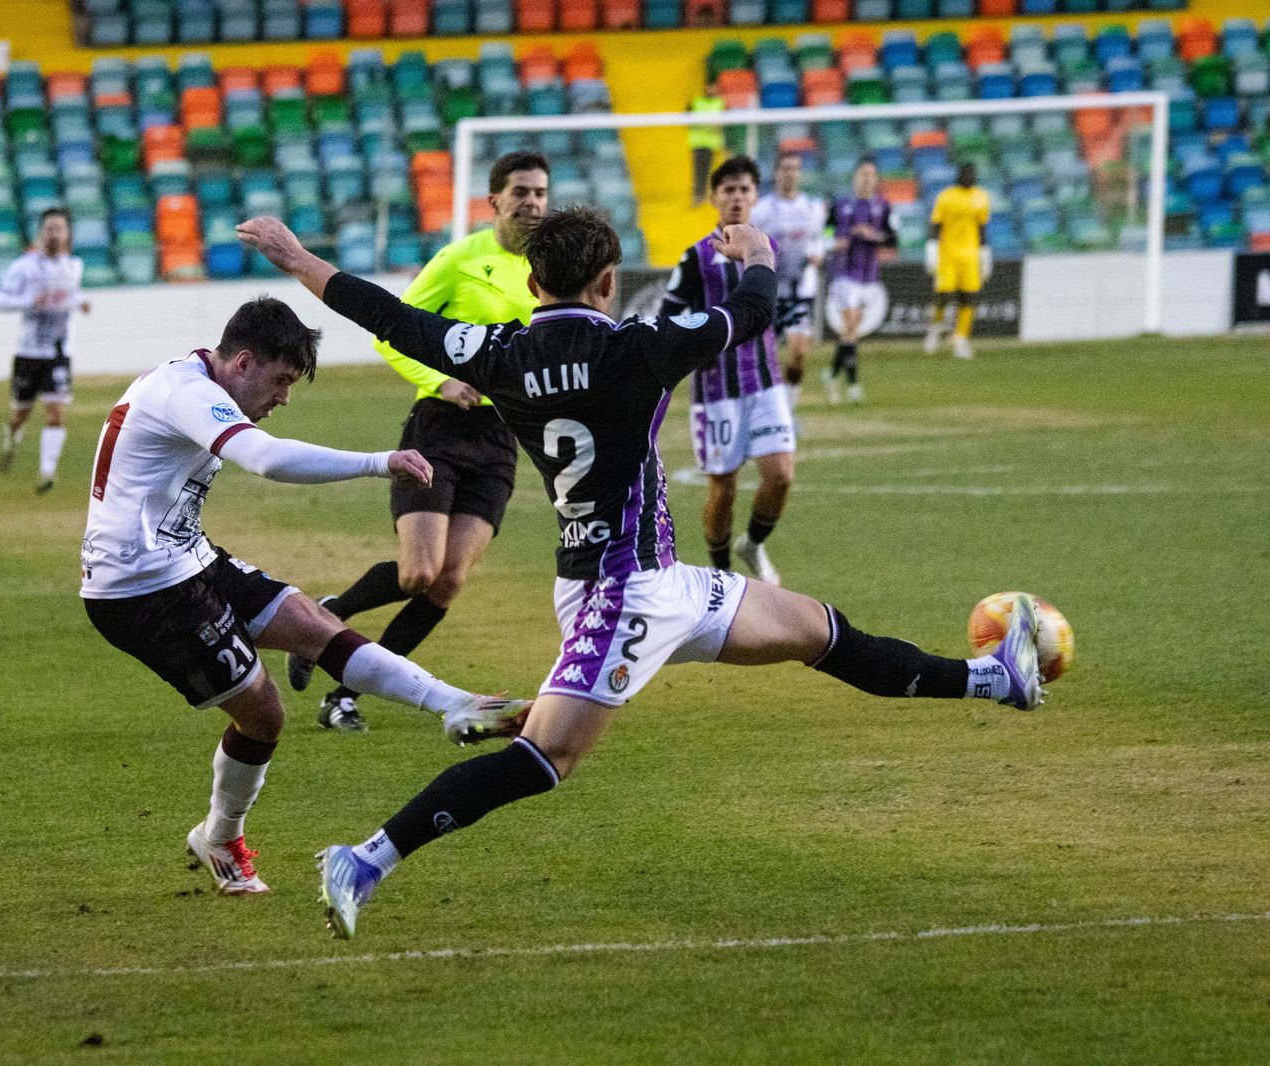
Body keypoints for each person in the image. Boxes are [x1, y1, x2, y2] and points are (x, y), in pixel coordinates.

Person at [236, 210, 1048, 940]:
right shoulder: (639, 348)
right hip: (623, 596)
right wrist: (758, 253)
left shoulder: (498, 352)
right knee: (547, 760)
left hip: (652, 581)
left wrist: (297, 257)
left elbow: (384, 313)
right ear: (608, 283)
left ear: (531, 283)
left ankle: (997, 677)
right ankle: (364, 859)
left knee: (819, 631)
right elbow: (754, 312)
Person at [79, 296, 528, 896]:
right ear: (243, 362)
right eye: (282, 380)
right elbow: (265, 459)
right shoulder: (185, 392)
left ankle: (457, 704)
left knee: (312, 622)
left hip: (183, 555)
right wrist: (379, 462)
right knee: (264, 714)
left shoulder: (191, 380)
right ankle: (220, 837)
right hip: (140, 586)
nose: (284, 398)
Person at [284, 152, 549, 733]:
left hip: (499, 439)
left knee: (449, 581)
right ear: (495, 201)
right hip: (439, 428)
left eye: (540, 193)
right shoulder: (459, 260)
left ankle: (343, 695)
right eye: (521, 192)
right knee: (418, 575)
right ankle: (331, 614)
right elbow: (391, 332)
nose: (532, 203)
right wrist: (442, 380)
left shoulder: (549, 268)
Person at [661, 155, 793, 587]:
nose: (737, 197)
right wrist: (692, 346)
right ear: (714, 198)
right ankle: (721, 576)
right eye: (728, 190)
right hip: (716, 389)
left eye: (744, 189)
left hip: (765, 381)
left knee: (780, 475)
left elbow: (785, 304)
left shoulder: (768, 249)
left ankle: (752, 543)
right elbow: (668, 317)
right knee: (724, 489)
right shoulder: (696, 257)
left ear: (755, 196)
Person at [0, 208, 90, 493]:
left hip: (58, 351)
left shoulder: (73, 266)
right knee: (20, 413)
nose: (54, 234)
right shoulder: (24, 267)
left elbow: (71, 294)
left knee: (56, 412)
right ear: (41, 233)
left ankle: (47, 471)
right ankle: (12, 435)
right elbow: (1, 301)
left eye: (59, 228)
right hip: (29, 352)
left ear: (67, 234)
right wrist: (29, 302)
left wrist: (81, 301)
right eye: (49, 228)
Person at [751, 151, 828, 408]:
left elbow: (820, 239)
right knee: (765, 353)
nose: (790, 173)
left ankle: (790, 400)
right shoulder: (761, 211)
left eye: (795, 168)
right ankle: (768, 401)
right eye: (785, 168)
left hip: (800, 289)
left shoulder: (813, 208)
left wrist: (818, 254)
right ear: (776, 173)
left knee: (798, 352)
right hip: (770, 289)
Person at [823, 159, 897, 405]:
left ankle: (832, 374)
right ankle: (853, 385)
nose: (867, 178)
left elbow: (892, 238)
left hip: (869, 277)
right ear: (855, 176)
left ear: (876, 179)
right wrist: (834, 242)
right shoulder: (840, 204)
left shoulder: (883, 206)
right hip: (844, 274)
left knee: (851, 331)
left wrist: (873, 235)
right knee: (851, 325)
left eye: (871, 174)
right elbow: (824, 231)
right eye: (863, 174)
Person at [924, 161, 993, 361]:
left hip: (970, 256)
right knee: (943, 295)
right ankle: (935, 328)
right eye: (966, 173)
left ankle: (960, 338)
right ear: (959, 175)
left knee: (968, 297)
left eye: (972, 174)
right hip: (948, 254)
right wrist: (932, 248)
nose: (969, 177)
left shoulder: (981, 197)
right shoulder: (946, 197)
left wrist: (985, 254)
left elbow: (981, 228)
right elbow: (936, 224)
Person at [687, 83, 724, 207]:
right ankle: (698, 196)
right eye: (710, 87)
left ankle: (714, 196)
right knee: (699, 172)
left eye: (714, 87)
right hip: (698, 142)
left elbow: (723, 124)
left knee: (715, 171)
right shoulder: (695, 102)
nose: (712, 89)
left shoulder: (720, 103)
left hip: (713, 144)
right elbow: (687, 120)